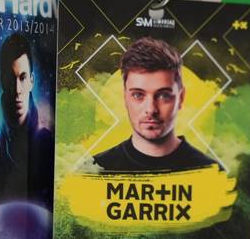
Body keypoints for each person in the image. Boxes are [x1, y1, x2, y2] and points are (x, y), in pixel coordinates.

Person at [91, 37, 218, 173]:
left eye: (163, 95)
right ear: (125, 98)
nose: (151, 109)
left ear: (181, 98)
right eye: (138, 95)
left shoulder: (212, 175)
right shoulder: (93, 171)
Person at [0, 34, 55, 213]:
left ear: (31, 81)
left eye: (22, 77)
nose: (17, 89)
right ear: (2, 80)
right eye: (11, 78)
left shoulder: (48, 145)